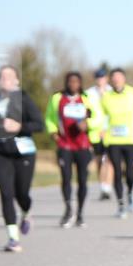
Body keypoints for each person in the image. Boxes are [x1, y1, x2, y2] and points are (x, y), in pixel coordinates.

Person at [0, 65, 44, 252]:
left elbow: (39, 124)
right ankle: (13, 238)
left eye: (10, 76)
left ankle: (26, 211)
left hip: (23, 152)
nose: (6, 79)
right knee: (6, 194)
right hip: (1, 153)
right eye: (2, 76)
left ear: (17, 80)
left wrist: (18, 127)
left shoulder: (24, 99)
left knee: (22, 193)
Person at [45, 72, 99, 228]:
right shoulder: (57, 98)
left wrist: (88, 124)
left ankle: (80, 213)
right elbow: (49, 117)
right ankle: (68, 209)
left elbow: (98, 118)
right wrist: (53, 132)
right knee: (66, 178)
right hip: (65, 145)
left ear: (80, 84)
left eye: (76, 82)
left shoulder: (87, 99)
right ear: (66, 83)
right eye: (70, 81)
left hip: (83, 145)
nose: (73, 84)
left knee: (82, 180)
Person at [100, 68, 133, 219]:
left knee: (129, 172)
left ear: (124, 79)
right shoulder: (106, 97)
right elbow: (101, 116)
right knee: (115, 170)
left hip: (131, 139)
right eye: (113, 78)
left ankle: (130, 193)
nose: (116, 80)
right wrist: (101, 130)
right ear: (111, 80)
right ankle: (121, 205)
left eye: (119, 78)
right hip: (113, 140)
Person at [86, 68, 114, 201]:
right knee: (99, 160)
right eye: (98, 78)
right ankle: (103, 185)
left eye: (102, 77)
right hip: (95, 132)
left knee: (109, 160)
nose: (100, 80)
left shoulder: (112, 92)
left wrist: (107, 128)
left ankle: (107, 187)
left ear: (106, 78)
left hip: (110, 131)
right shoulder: (89, 93)